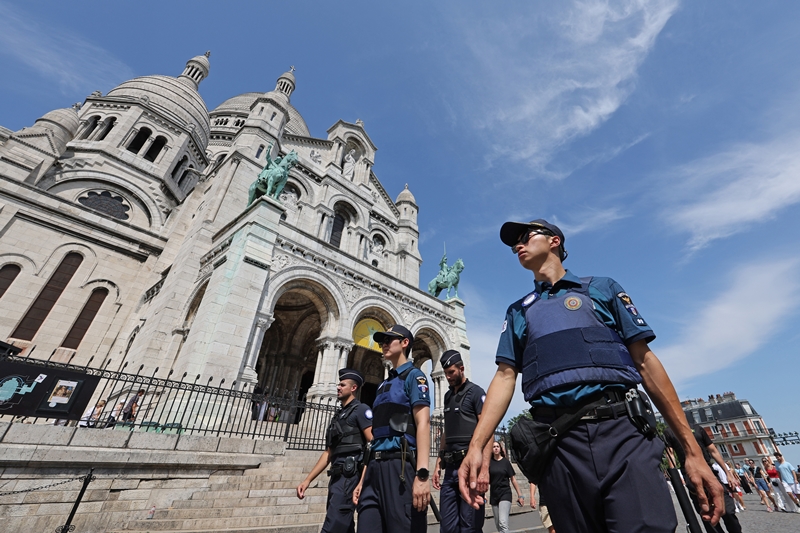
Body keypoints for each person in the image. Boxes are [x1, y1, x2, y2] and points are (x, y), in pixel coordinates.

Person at [458, 219, 724, 532]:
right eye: (514, 242)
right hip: (558, 446)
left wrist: (692, 451)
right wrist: (476, 447)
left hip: (623, 435)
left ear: (555, 240)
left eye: (526, 236)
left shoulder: (602, 288)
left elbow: (646, 362)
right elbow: (504, 377)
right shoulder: (518, 311)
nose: (518, 245)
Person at [354, 325, 430, 533]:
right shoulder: (382, 385)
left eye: (389, 339)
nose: (384, 344)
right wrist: (363, 478)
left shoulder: (415, 377)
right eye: (382, 341)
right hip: (374, 470)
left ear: (405, 343)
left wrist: (422, 474)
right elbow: (376, 436)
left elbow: (423, 423)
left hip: (399, 466)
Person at [297, 369, 373, 533]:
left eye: (342, 385)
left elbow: (372, 444)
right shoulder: (338, 416)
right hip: (337, 477)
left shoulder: (361, 410)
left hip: (350, 476)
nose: (338, 387)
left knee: (333, 525)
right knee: (344, 526)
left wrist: (362, 481)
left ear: (353, 388)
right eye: (339, 384)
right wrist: (308, 480)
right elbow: (328, 453)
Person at [432, 350, 487, 533]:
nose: (448, 377)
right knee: (447, 528)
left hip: (471, 468)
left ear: (462, 369)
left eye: (451, 372)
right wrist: (438, 463)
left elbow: (488, 430)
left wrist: (484, 470)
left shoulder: (476, 392)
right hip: (450, 470)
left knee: (469, 527)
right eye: (445, 373)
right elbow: (447, 432)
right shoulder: (447, 397)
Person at [664, 424, 742, 533]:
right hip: (690, 475)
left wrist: (728, 473)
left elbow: (713, 450)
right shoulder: (669, 432)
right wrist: (676, 477)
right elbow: (670, 455)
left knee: (728, 511)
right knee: (708, 517)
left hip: (709, 471)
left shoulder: (697, 428)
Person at [488, 441, 523, 533]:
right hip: (494, 495)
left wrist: (520, 495)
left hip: (505, 494)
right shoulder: (489, 463)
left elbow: (513, 479)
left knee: (503, 523)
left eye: (497, 446)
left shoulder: (505, 462)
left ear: (500, 449)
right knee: (498, 524)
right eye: (494, 447)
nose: (495, 448)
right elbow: (486, 480)